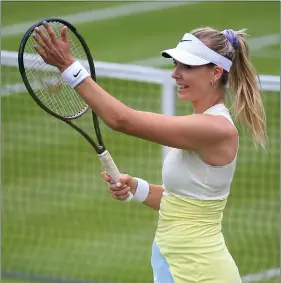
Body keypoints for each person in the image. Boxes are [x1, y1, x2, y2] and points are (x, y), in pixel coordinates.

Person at [34, 23, 267, 283]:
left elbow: (123, 120)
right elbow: (183, 205)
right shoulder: (204, 124)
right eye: (176, 65)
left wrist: (69, 67)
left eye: (187, 66)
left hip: (200, 274)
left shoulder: (215, 129)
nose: (175, 74)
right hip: (174, 267)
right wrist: (137, 187)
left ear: (215, 73)